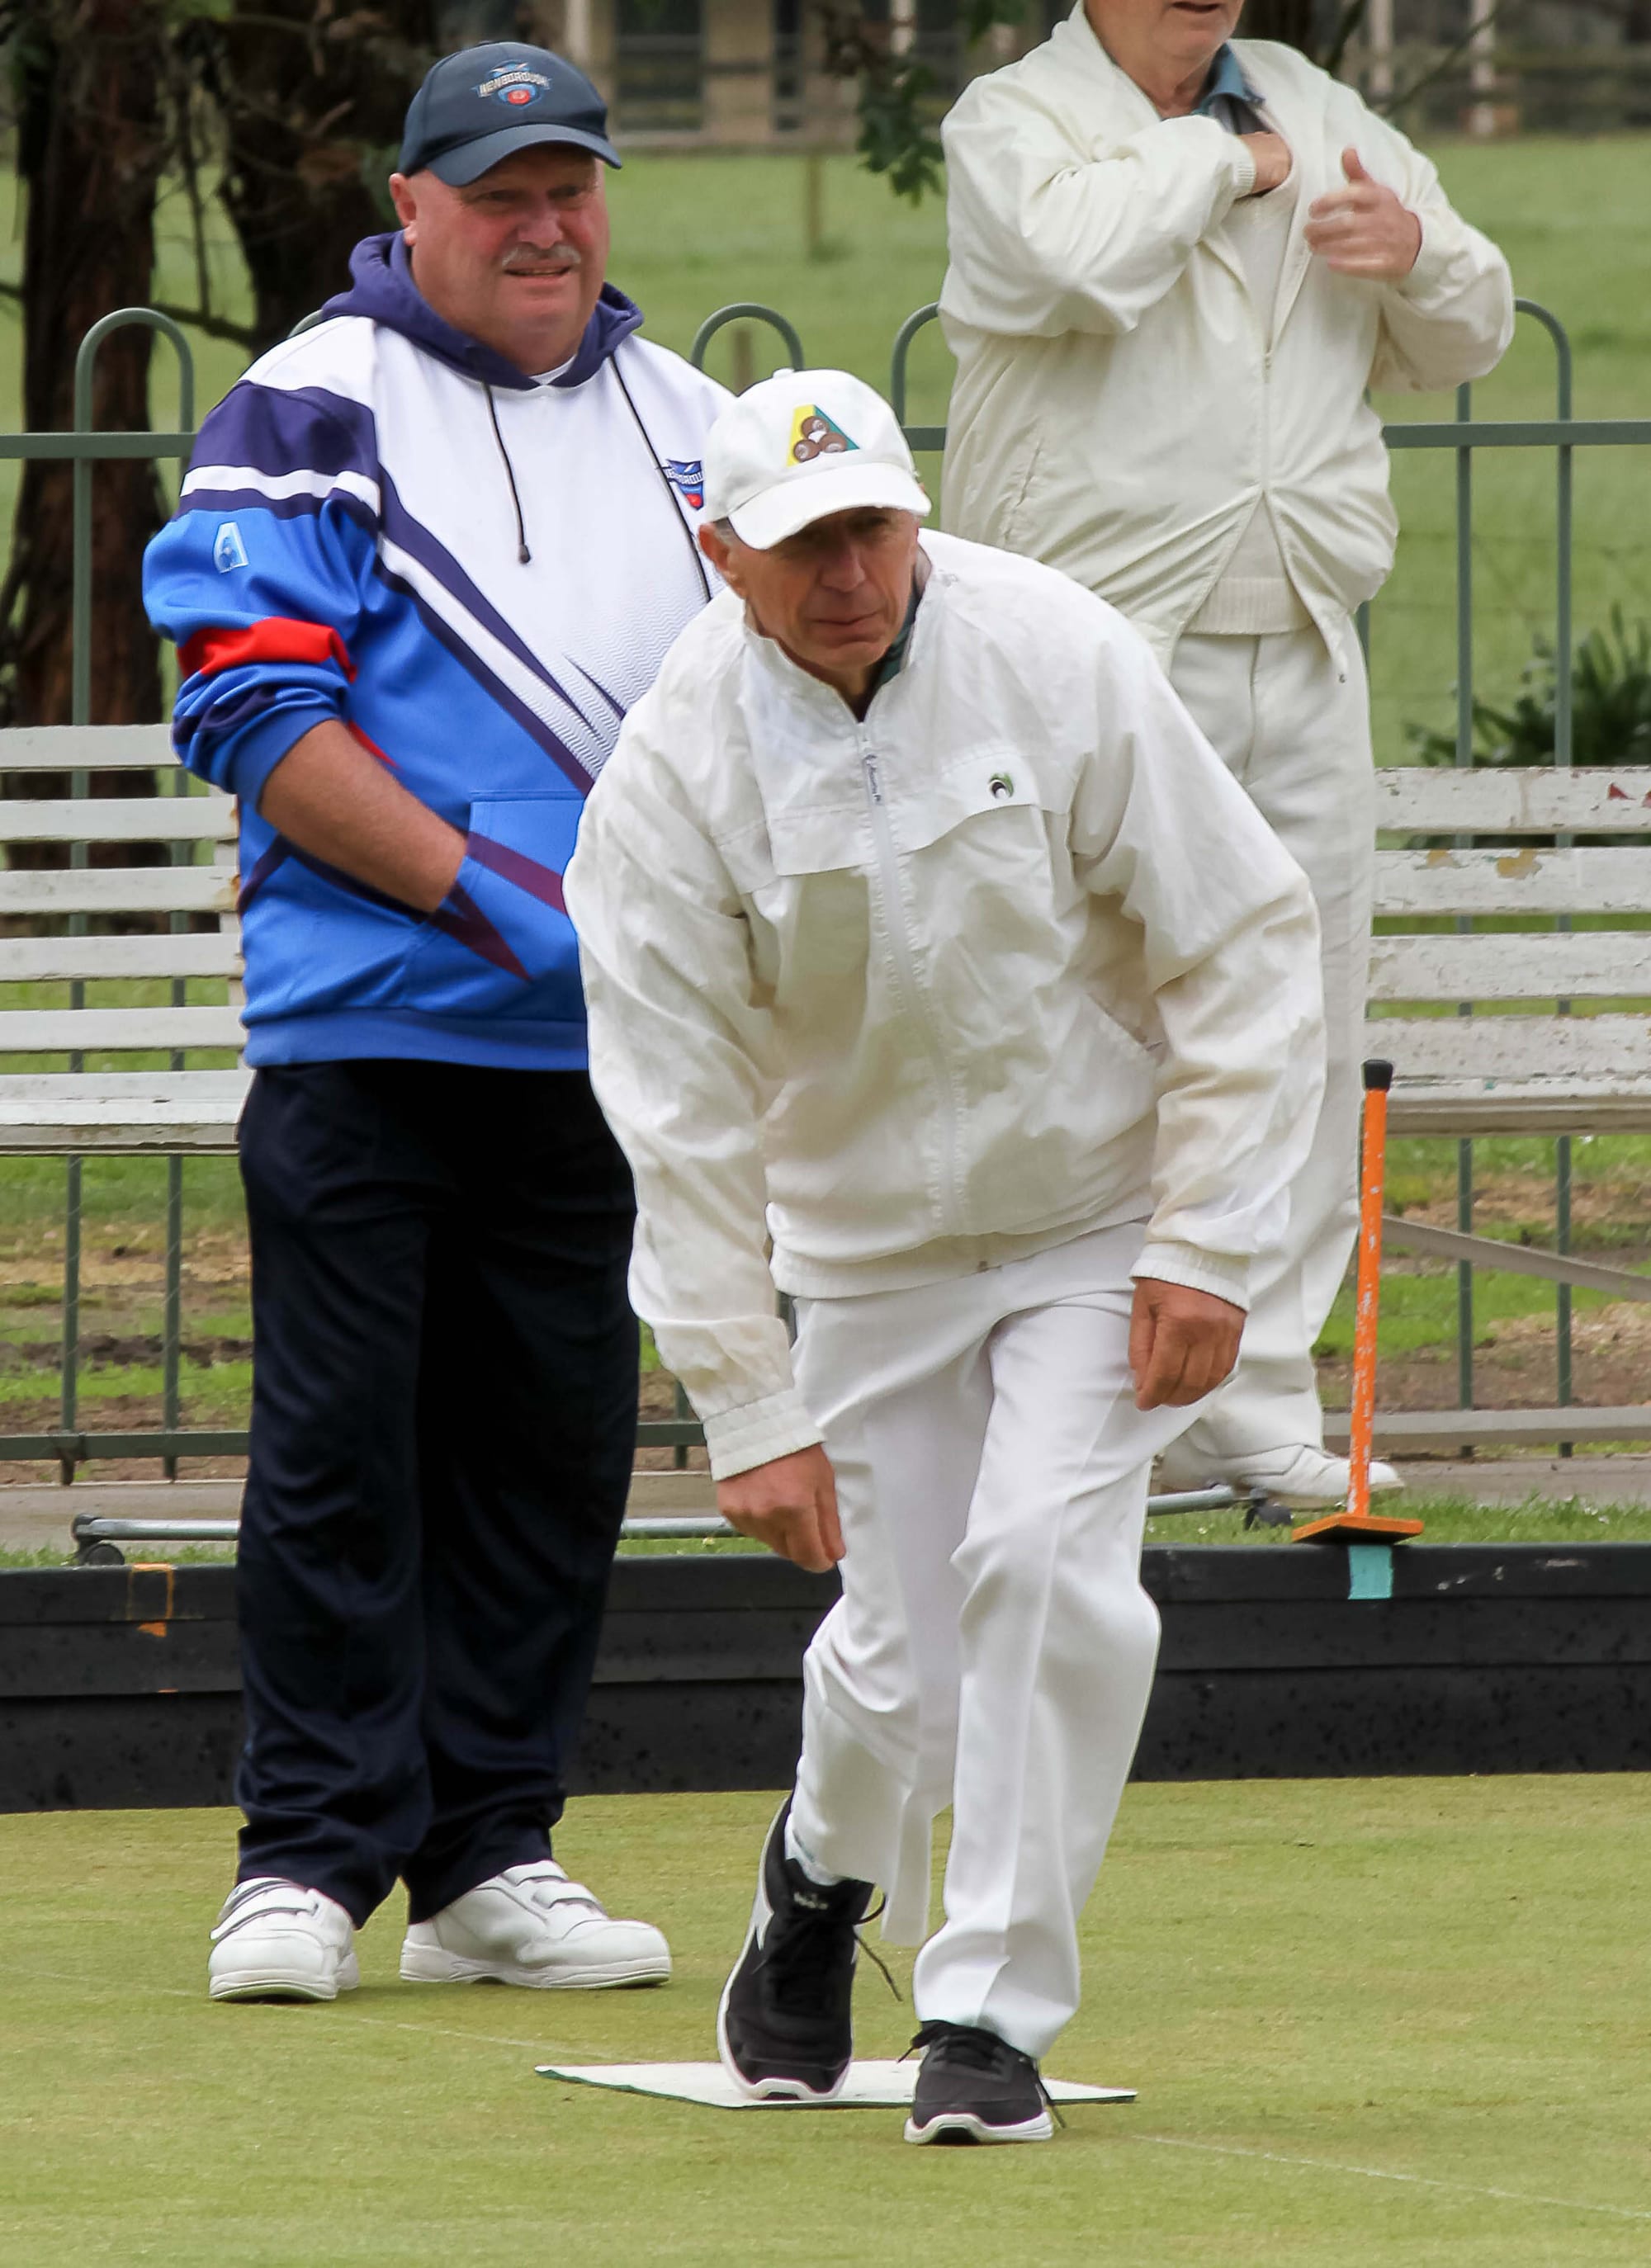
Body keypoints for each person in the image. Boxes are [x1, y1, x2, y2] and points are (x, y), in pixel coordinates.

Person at [564, 369, 1324, 2143]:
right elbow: (671, 1115)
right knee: (896, 1652)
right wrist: (741, 1402)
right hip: (860, 1248)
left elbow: (1243, 936)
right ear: (720, 554)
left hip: (1095, 1216)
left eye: (872, 526)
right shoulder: (672, 771)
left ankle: (983, 2013)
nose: (848, 571)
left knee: (1049, 1574)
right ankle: (820, 1880)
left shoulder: (1052, 649)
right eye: (801, 541)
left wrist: (1210, 1240)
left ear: (915, 513)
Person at [143, 42, 729, 2004]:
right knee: (339, 1453)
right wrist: (506, 909)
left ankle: (492, 1851)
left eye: (571, 184)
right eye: (499, 191)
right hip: (367, 1032)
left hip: (606, 1052)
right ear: (414, 208)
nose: (544, 222)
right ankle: (302, 1856)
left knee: (551, 1458)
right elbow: (250, 712)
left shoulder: (699, 423)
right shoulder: (309, 396)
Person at [938, 0, 1515, 1508]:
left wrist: (1421, 257)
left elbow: (1473, 327)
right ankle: (1071, 1388)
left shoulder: (1322, 107)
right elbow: (1072, 261)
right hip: (1098, 646)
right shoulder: (1013, 123)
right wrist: (1231, 167)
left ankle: (1247, 1404)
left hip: (1308, 633)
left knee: (1300, 1024)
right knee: (1095, 1026)